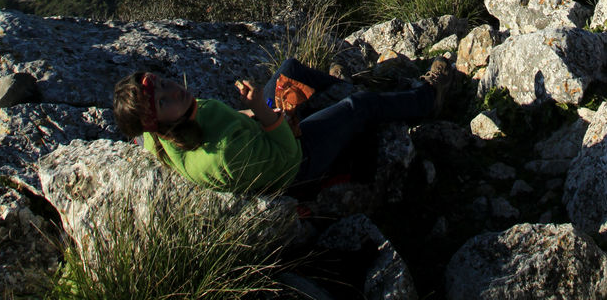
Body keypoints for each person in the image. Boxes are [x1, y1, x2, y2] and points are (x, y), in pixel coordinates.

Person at [113, 57, 453, 196]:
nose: (172, 90)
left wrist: (253, 115)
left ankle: (336, 88)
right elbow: (288, 157)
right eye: (162, 101)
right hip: (297, 162)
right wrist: (264, 112)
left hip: (259, 133)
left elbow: (141, 137)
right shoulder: (223, 153)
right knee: (357, 107)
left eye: (163, 84)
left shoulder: (164, 132)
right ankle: (426, 98)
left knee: (291, 68)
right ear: (161, 123)